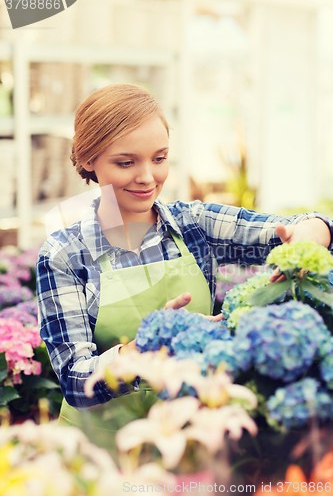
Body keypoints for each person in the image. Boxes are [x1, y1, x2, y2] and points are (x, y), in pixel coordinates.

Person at [36, 83, 332, 445]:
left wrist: (310, 235)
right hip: (100, 451)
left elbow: (300, 227)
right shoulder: (65, 254)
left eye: (159, 158)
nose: (147, 177)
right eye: (126, 162)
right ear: (87, 160)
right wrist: (148, 347)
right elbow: (75, 380)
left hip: (192, 441)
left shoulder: (195, 225)